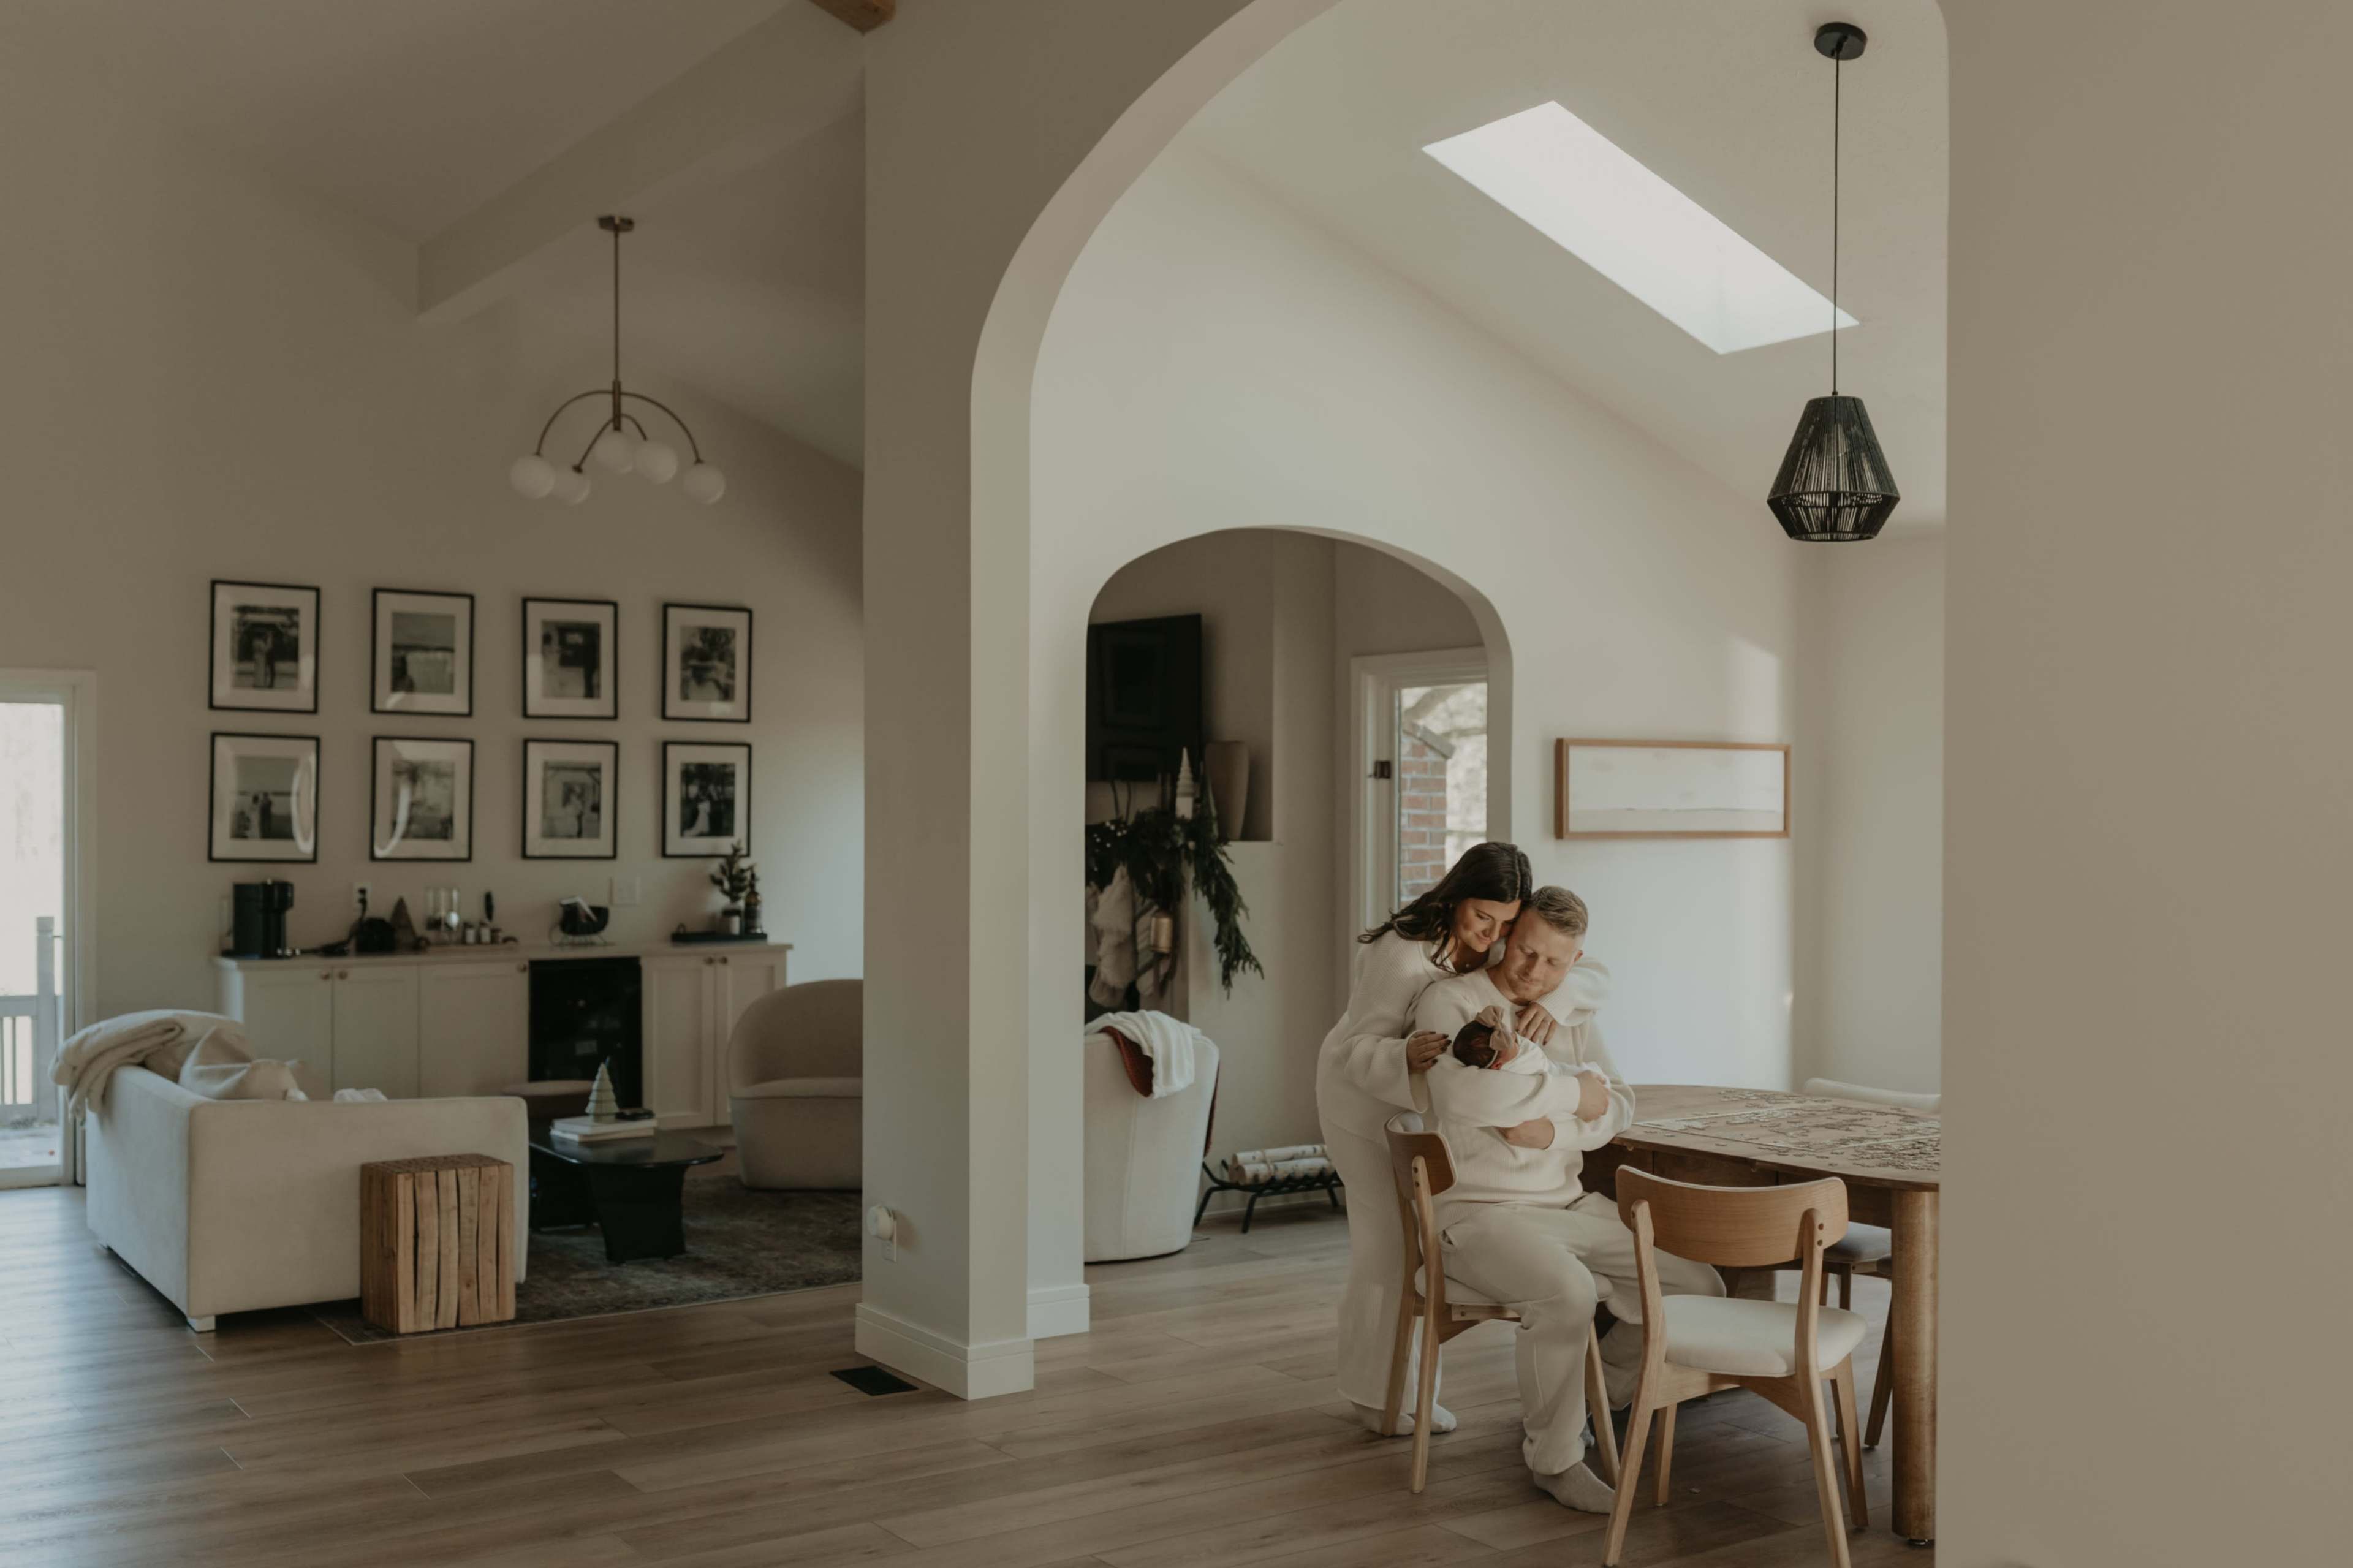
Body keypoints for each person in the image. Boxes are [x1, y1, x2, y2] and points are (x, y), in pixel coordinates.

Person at [1415, 886, 1724, 1511]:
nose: (1533, 971)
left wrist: (1552, 1131)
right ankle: (1554, 1459)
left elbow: (1620, 1105)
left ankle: (1591, 1398)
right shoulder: (1451, 1000)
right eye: (1525, 951)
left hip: (1566, 1206)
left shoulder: (1569, 1013)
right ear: (1509, 935)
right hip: (1477, 1215)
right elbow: (1462, 1099)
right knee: (1568, 1292)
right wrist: (1576, 1095)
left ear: (1575, 962)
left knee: (1699, 1285)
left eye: (1553, 962)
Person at [1315, 842, 1610, 1437]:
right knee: (1387, 1247)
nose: (1492, 937)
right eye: (1482, 918)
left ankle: (1407, 1391)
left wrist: (1556, 1001)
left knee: (1414, 1248)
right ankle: (1377, 1398)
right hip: (1363, 1100)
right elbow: (1356, 1048)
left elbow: (1592, 972)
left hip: (1421, 1101)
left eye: (1506, 924)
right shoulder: (1400, 953)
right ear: (1455, 896)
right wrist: (1403, 1054)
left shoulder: (1497, 938)